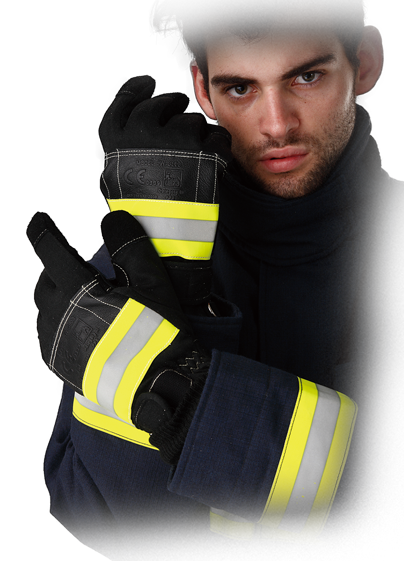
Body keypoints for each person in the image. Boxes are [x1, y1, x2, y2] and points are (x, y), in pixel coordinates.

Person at [28, 0, 403, 559]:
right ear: (203, 90)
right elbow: (103, 523)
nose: (277, 125)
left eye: (306, 77)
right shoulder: (153, 242)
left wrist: (190, 404)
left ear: (365, 62)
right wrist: (167, 268)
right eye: (240, 88)